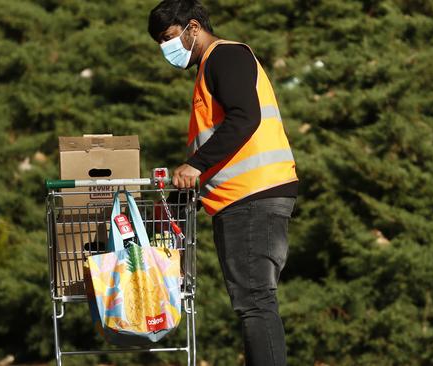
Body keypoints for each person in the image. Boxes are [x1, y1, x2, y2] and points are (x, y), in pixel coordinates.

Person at [148, 1, 299, 365]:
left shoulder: (225, 57)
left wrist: (195, 165)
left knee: (255, 301)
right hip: (243, 196)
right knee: (253, 301)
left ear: (193, 27)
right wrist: (183, 195)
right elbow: (219, 141)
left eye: (169, 38)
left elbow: (245, 118)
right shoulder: (210, 68)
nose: (166, 49)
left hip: (252, 195)